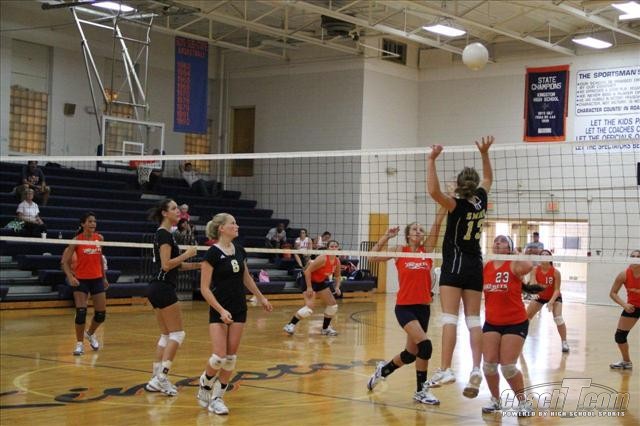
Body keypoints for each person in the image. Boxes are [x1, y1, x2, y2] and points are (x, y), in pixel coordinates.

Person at [425, 136, 493, 399]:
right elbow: (488, 178)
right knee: (474, 319)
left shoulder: (455, 204)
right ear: (474, 185)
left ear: (458, 184)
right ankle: (476, 367)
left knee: (449, 318)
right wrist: (484, 153)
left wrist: (431, 160)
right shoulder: (481, 199)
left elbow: (433, 192)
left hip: (455, 264)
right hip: (475, 264)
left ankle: (445, 369)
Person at [366, 207, 447, 405]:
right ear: (408, 235)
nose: (419, 232)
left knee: (410, 354)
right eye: (415, 229)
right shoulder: (399, 251)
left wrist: (445, 203)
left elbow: (437, 224)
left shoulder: (426, 250)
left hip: (423, 308)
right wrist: (386, 236)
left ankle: (383, 371)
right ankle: (421, 391)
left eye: (421, 229)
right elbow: (371, 257)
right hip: (404, 307)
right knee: (425, 346)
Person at [196, 213, 273, 415]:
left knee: (230, 358)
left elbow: (246, 277)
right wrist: (221, 310)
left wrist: (261, 297)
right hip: (220, 307)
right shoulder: (212, 253)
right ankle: (205, 382)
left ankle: (217, 398)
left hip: (239, 307)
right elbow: (204, 288)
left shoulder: (239, 250)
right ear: (222, 228)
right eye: (233, 223)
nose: (237, 226)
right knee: (218, 357)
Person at [145, 199, 200, 395]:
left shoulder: (165, 234)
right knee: (178, 334)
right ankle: (162, 377)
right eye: (174, 208)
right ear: (164, 213)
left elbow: (176, 266)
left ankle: (155, 378)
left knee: (166, 335)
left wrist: (200, 265)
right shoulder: (165, 234)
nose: (179, 211)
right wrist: (188, 253)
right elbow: (167, 265)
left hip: (156, 287)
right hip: (163, 287)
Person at [481, 235, 533, 416]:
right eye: (496, 240)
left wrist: (516, 253)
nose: (497, 242)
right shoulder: (487, 266)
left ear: (509, 247)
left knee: (508, 367)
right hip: (492, 322)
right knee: (488, 365)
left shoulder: (514, 264)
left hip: (515, 322)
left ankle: (524, 403)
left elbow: (528, 266)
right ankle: (495, 400)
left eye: (503, 241)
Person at [60, 212, 108, 356]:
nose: (93, 224)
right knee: (81, 313)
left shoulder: (99, 238)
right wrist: (70, 277)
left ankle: (90, 333)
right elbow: (64, 262)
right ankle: (79, 344)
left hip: (97, 279)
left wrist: (104, 277)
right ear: (83, 224)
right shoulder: (76, 241)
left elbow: (100, 260)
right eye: (90, 221)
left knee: (101, 314)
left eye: (94, 221)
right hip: (81, 280)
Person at [283, 240, 342, 336]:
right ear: (328, 248)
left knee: (333, 306)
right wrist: (309, 287)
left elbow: (338, 276)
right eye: (332, 246)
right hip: (308, 280)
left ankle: (325, 329)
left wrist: (337, 287)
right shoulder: (323, 258)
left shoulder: (337, 261)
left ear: (338, 248)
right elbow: (307, 271)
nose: (334, 248)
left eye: (336, 246)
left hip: (320, 282)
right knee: (309, 309)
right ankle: (290, 325)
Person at [526, 250, 569, 353]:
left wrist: (551, 302)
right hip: (540, 296)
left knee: (558, 318)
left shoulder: (556, 272)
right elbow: (533, 283)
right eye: (542, 255)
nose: (544, 256)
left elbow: (557, 290)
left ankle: (564, 342)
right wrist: (534, 293)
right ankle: (521, 339)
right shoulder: (535, 270)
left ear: (550, 258)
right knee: (525, 317)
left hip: (554, 297)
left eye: (547, 255)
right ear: (539, 258)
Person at [608, 249, 640, 370]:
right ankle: (626, 362)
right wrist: (624, 305)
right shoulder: (624, 274)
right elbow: (613, 293)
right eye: (633, 256)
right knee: (620, 336)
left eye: (638, 257)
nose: (635, 259)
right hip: (632, 307)